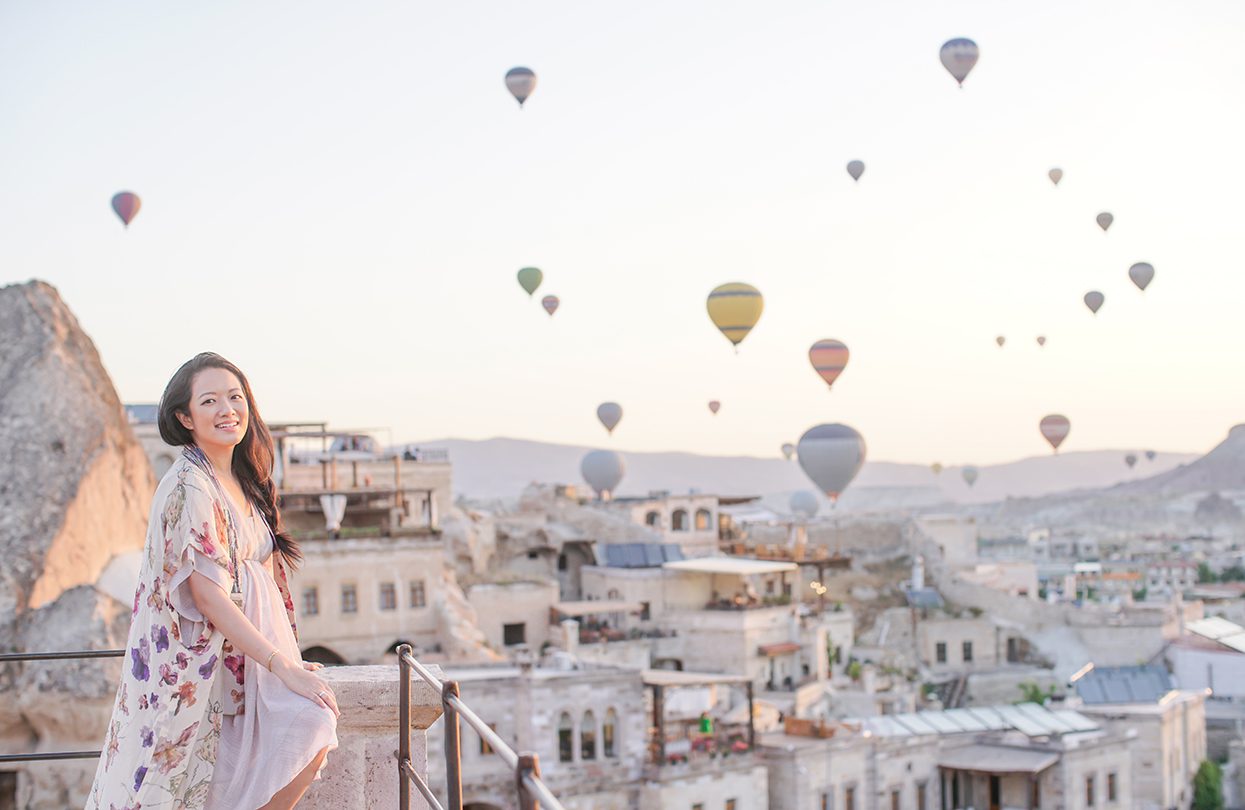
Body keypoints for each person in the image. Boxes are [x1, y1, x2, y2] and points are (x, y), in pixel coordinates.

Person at [87, 353, 339, 810]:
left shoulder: (243, 477)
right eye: (209, 401)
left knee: (301, 733)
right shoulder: (191, 484)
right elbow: (208, 595)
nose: (227, 410)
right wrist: (280, 663)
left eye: (235, 396)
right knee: (302, 729)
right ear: (186, 417)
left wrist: (283, 660)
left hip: (241, 665)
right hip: (207, 665)